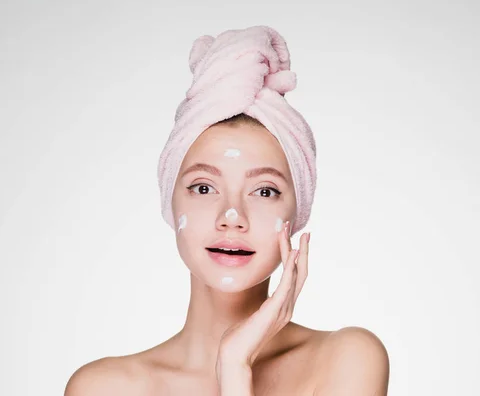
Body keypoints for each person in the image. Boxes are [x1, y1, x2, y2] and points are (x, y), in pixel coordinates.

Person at [64, 26, 389, 395]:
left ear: (297, 212)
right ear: (170, 202)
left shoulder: (345, 360)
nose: (232, 215)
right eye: (203, 187)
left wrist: (235, 366)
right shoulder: (104, 388)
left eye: (264, 191)